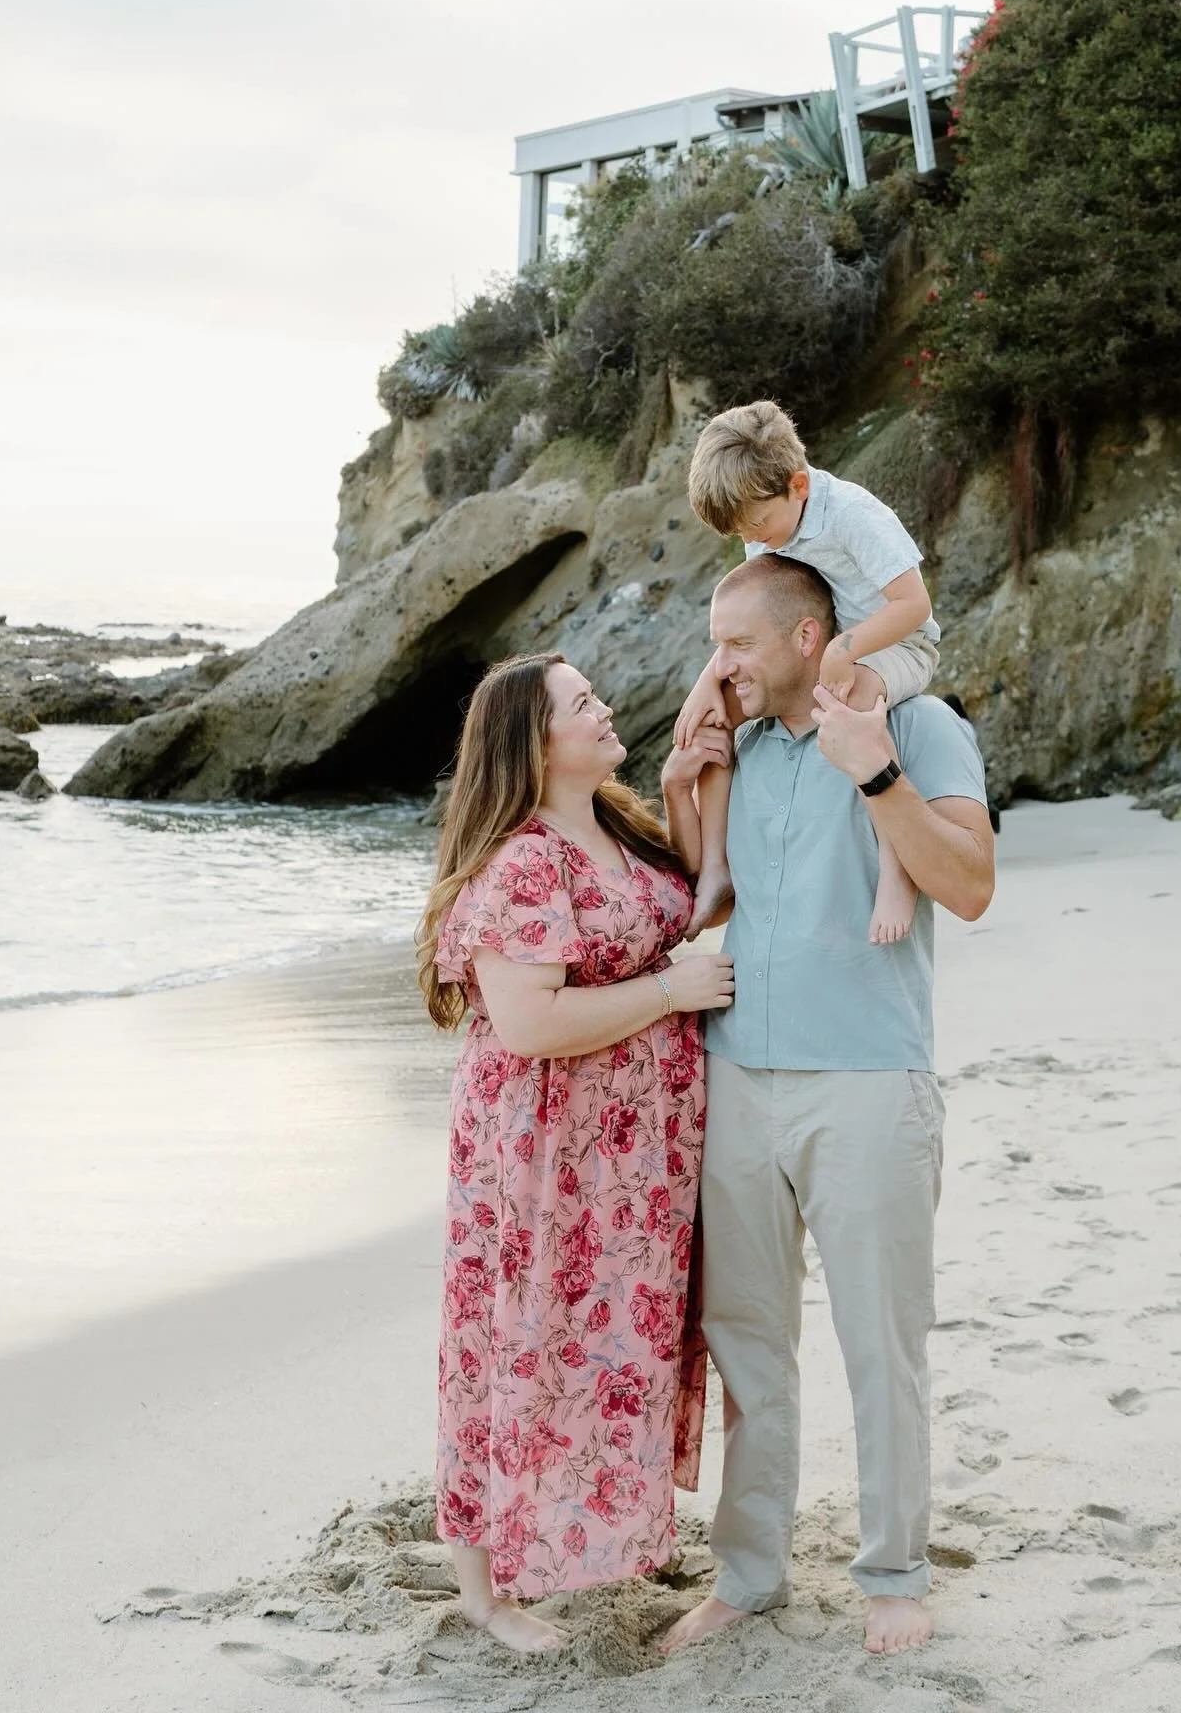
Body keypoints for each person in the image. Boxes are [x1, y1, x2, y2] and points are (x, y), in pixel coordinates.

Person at [658, 554, 994, 1658]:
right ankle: (749, 1575)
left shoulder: (924, 724)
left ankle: (894, 1573)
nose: (722, 665)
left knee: (878, 1342)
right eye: (715, 645)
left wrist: (876, 775)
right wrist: (681, 775)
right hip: (738, 1080)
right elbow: (698, 898)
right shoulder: (741, 753)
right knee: (749, 1345)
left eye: (738, 645)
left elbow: (971, 884)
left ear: (808, 639)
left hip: (865, 1083)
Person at [415, 653, 735, 1653]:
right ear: (534, 743)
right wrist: (668, 996)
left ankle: (582, 1532)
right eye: (581, 704)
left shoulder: (615, 827)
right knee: (511, 1347)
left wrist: (686, 791)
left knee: (598, 1355)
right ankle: (485, 1592)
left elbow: (690, 906)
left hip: (626, 1171)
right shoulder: (524, 864)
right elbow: (529, 1024)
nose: (603, 708)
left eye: (598, 692)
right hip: (547, 1163)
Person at [676, 400, 941, 945]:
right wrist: (710, 681)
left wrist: (847, 647)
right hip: (822, 649)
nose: (757, 539)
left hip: (896, 644)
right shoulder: (768, 523)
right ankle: (718, 865)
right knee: (715, 714)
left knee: (857, 696)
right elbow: (754, 608)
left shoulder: (852, 515)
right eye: (744, 531)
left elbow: (913, 604)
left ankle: (896, 870)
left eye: (759, 523)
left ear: (797, 485)